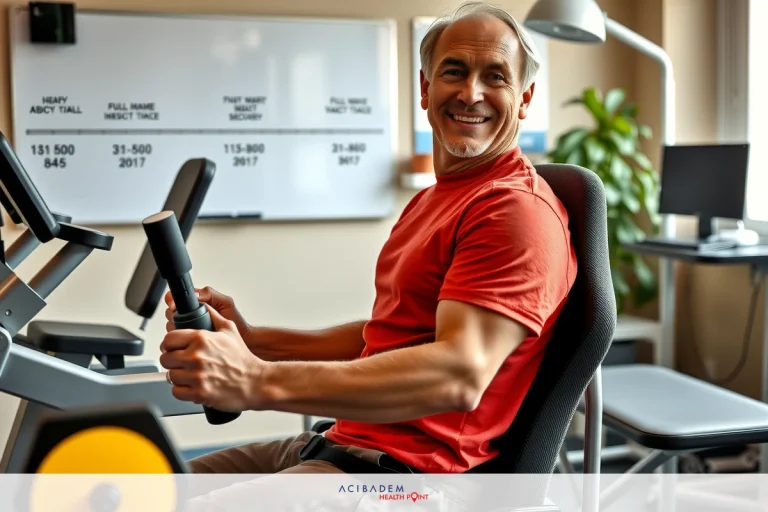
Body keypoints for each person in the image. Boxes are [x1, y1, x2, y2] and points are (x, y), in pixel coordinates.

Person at [159, 1, 577, 477]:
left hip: (402, 480)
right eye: (453, 72)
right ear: (425, 88)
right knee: (148, 489)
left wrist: (257, 380)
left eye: (496, 77)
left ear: (525, 98)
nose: (471, 93)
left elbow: (459, 374)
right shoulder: (436, 200)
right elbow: (390, 337)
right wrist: (257, 344)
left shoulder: (515, 210)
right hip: (335, 444)